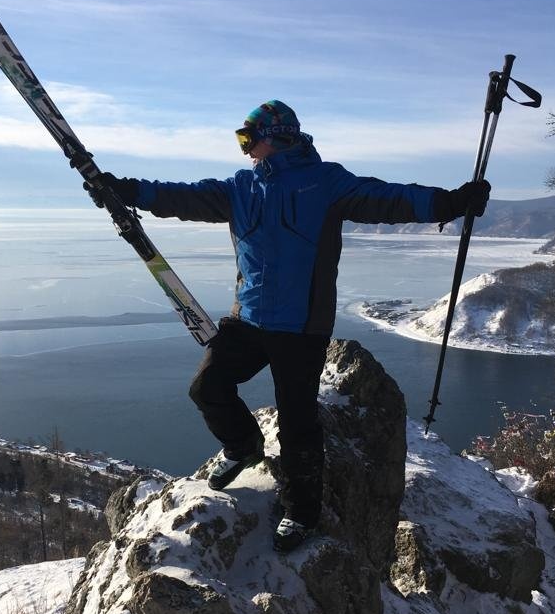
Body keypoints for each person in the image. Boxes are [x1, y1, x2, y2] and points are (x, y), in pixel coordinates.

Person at [90, 100, 489, 553]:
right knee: (208, 388)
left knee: (298, 421)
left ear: (277, 137)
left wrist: (450, 203)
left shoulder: (326, 183)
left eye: (247, 138)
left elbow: (388, 198)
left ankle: (302, 510)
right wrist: (124, 189)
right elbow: (182, 196)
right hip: (250, 318)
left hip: (302, 326)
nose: (244, 150)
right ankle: (243, 446)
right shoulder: (240, 187)